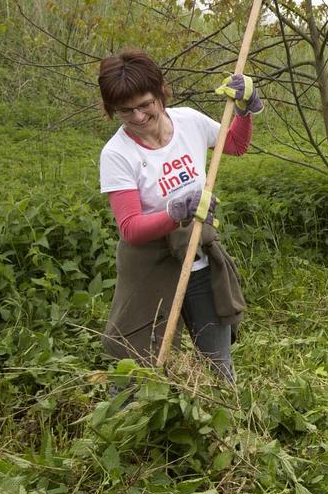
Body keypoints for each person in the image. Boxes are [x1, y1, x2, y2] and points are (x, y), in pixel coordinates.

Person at [97, 48, 264, 382]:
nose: (139, 116)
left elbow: (234, 144)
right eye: (126, 111)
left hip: (197, 257)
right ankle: (130, 426)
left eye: (146, 104)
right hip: (149, 266)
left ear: (161, 91)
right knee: (136, 364)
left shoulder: (188, 121)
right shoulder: (117, 153)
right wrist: (175, 212)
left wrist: (245, 111)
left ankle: (225, 423)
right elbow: (130, 228)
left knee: (218, 364)